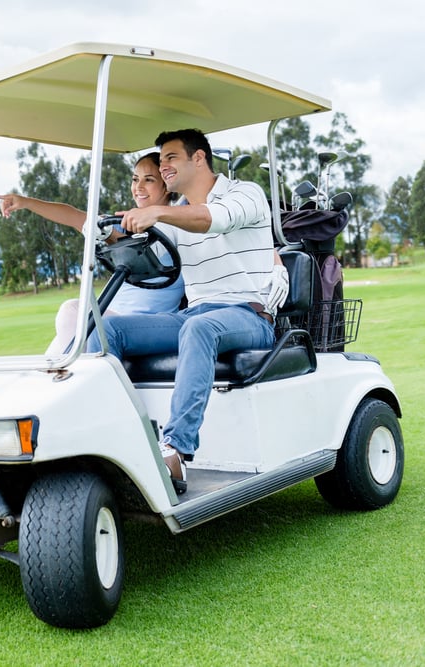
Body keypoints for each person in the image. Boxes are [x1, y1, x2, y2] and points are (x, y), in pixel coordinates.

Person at [87, 128, 289, 493]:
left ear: (198, 158)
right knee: (105, 330)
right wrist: (107, 232)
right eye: (160, 159)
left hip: (250, 314)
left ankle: (176, 451)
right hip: (195, 314)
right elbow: (143, 245)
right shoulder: (175, 215)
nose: (163, 166)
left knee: (199, 330)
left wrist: (157, 213)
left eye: (170, 158)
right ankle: (113, 437)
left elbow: (215, 218)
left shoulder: (245, 193)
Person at [0, 153, 185, 355]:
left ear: (166, 184)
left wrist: (111, 233)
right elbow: (75, 217)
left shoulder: (178, 226)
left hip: (145, 322)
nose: (138, 187)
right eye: (135, 179)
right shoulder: (127, 224)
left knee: (71, 313)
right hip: (116, 314)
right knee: (67, 331)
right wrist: (26, 202)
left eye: (149, 180)